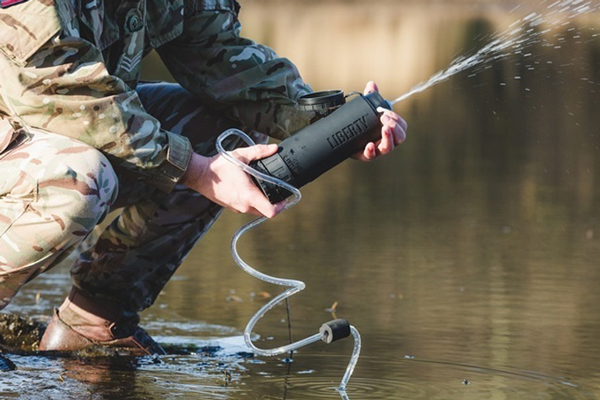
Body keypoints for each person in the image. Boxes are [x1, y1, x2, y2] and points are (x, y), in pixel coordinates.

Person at [0, 0, 407, 355]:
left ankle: (92, 323)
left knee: (227, 135)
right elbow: (59, 89)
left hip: (53, 134)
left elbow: (220, 58)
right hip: (34, 118)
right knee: (82, 178)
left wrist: (333, 126)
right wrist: (198, 171)